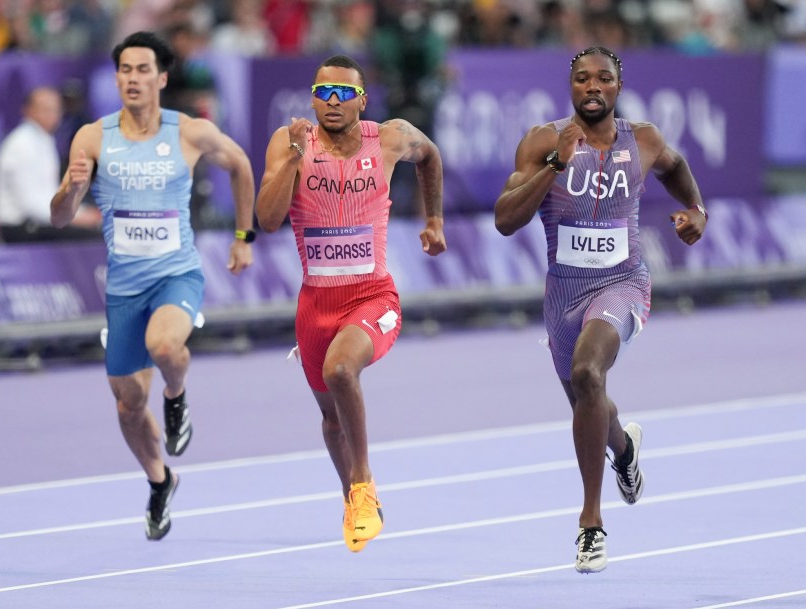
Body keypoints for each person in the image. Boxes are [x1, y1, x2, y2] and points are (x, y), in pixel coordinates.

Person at [493, 46, 707, 574]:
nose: (593, 87)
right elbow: (504, 219)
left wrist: (696, 210)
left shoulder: (646, 140)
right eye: (583, 78)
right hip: (564, 296)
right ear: (570, 87)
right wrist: (553, 165)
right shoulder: (543, 142)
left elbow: (676, 169)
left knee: (589, 371)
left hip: (624, 285)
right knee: (590, 401)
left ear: (618, 86)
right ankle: (625, 450)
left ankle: (590, 523)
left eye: (604, 79)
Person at [50, 31, 256, 541]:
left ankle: (178, 394)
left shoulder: (188, 131)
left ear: (161, 78)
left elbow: (242, 166)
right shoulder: (92, 138)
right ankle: (160, 480)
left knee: (163, 346)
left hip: (175, 274)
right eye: (125, 70)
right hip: (123, 289)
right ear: (116, 78)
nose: (133, 78)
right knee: (126, 406)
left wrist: (243, 237)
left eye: (143, 69)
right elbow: (58, 217)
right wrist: (73, 188)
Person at [256, 54, 447, 552]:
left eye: (344, 94)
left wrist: (435, 220)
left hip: (373, 296)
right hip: (315, 304)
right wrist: (296, 157)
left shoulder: (388, 137)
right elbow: (268, 219)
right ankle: (354, 498)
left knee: (342, 371)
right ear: (312, 98)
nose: (333, 102)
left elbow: (430, 156)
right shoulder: (290, 140)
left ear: (363, 100)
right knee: (331, 417)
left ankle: (364, 484)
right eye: (323, 93)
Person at [0, 86, 102, 243]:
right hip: (21, 227)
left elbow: (50, 194)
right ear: (28, 110)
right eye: (46, 109)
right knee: (94, 237)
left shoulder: (43, 140)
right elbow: (32, 205)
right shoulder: (22, 144)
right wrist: (76, 218)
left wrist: (83, 212)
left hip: (41, 220)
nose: (53, 115)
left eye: (57, 109)